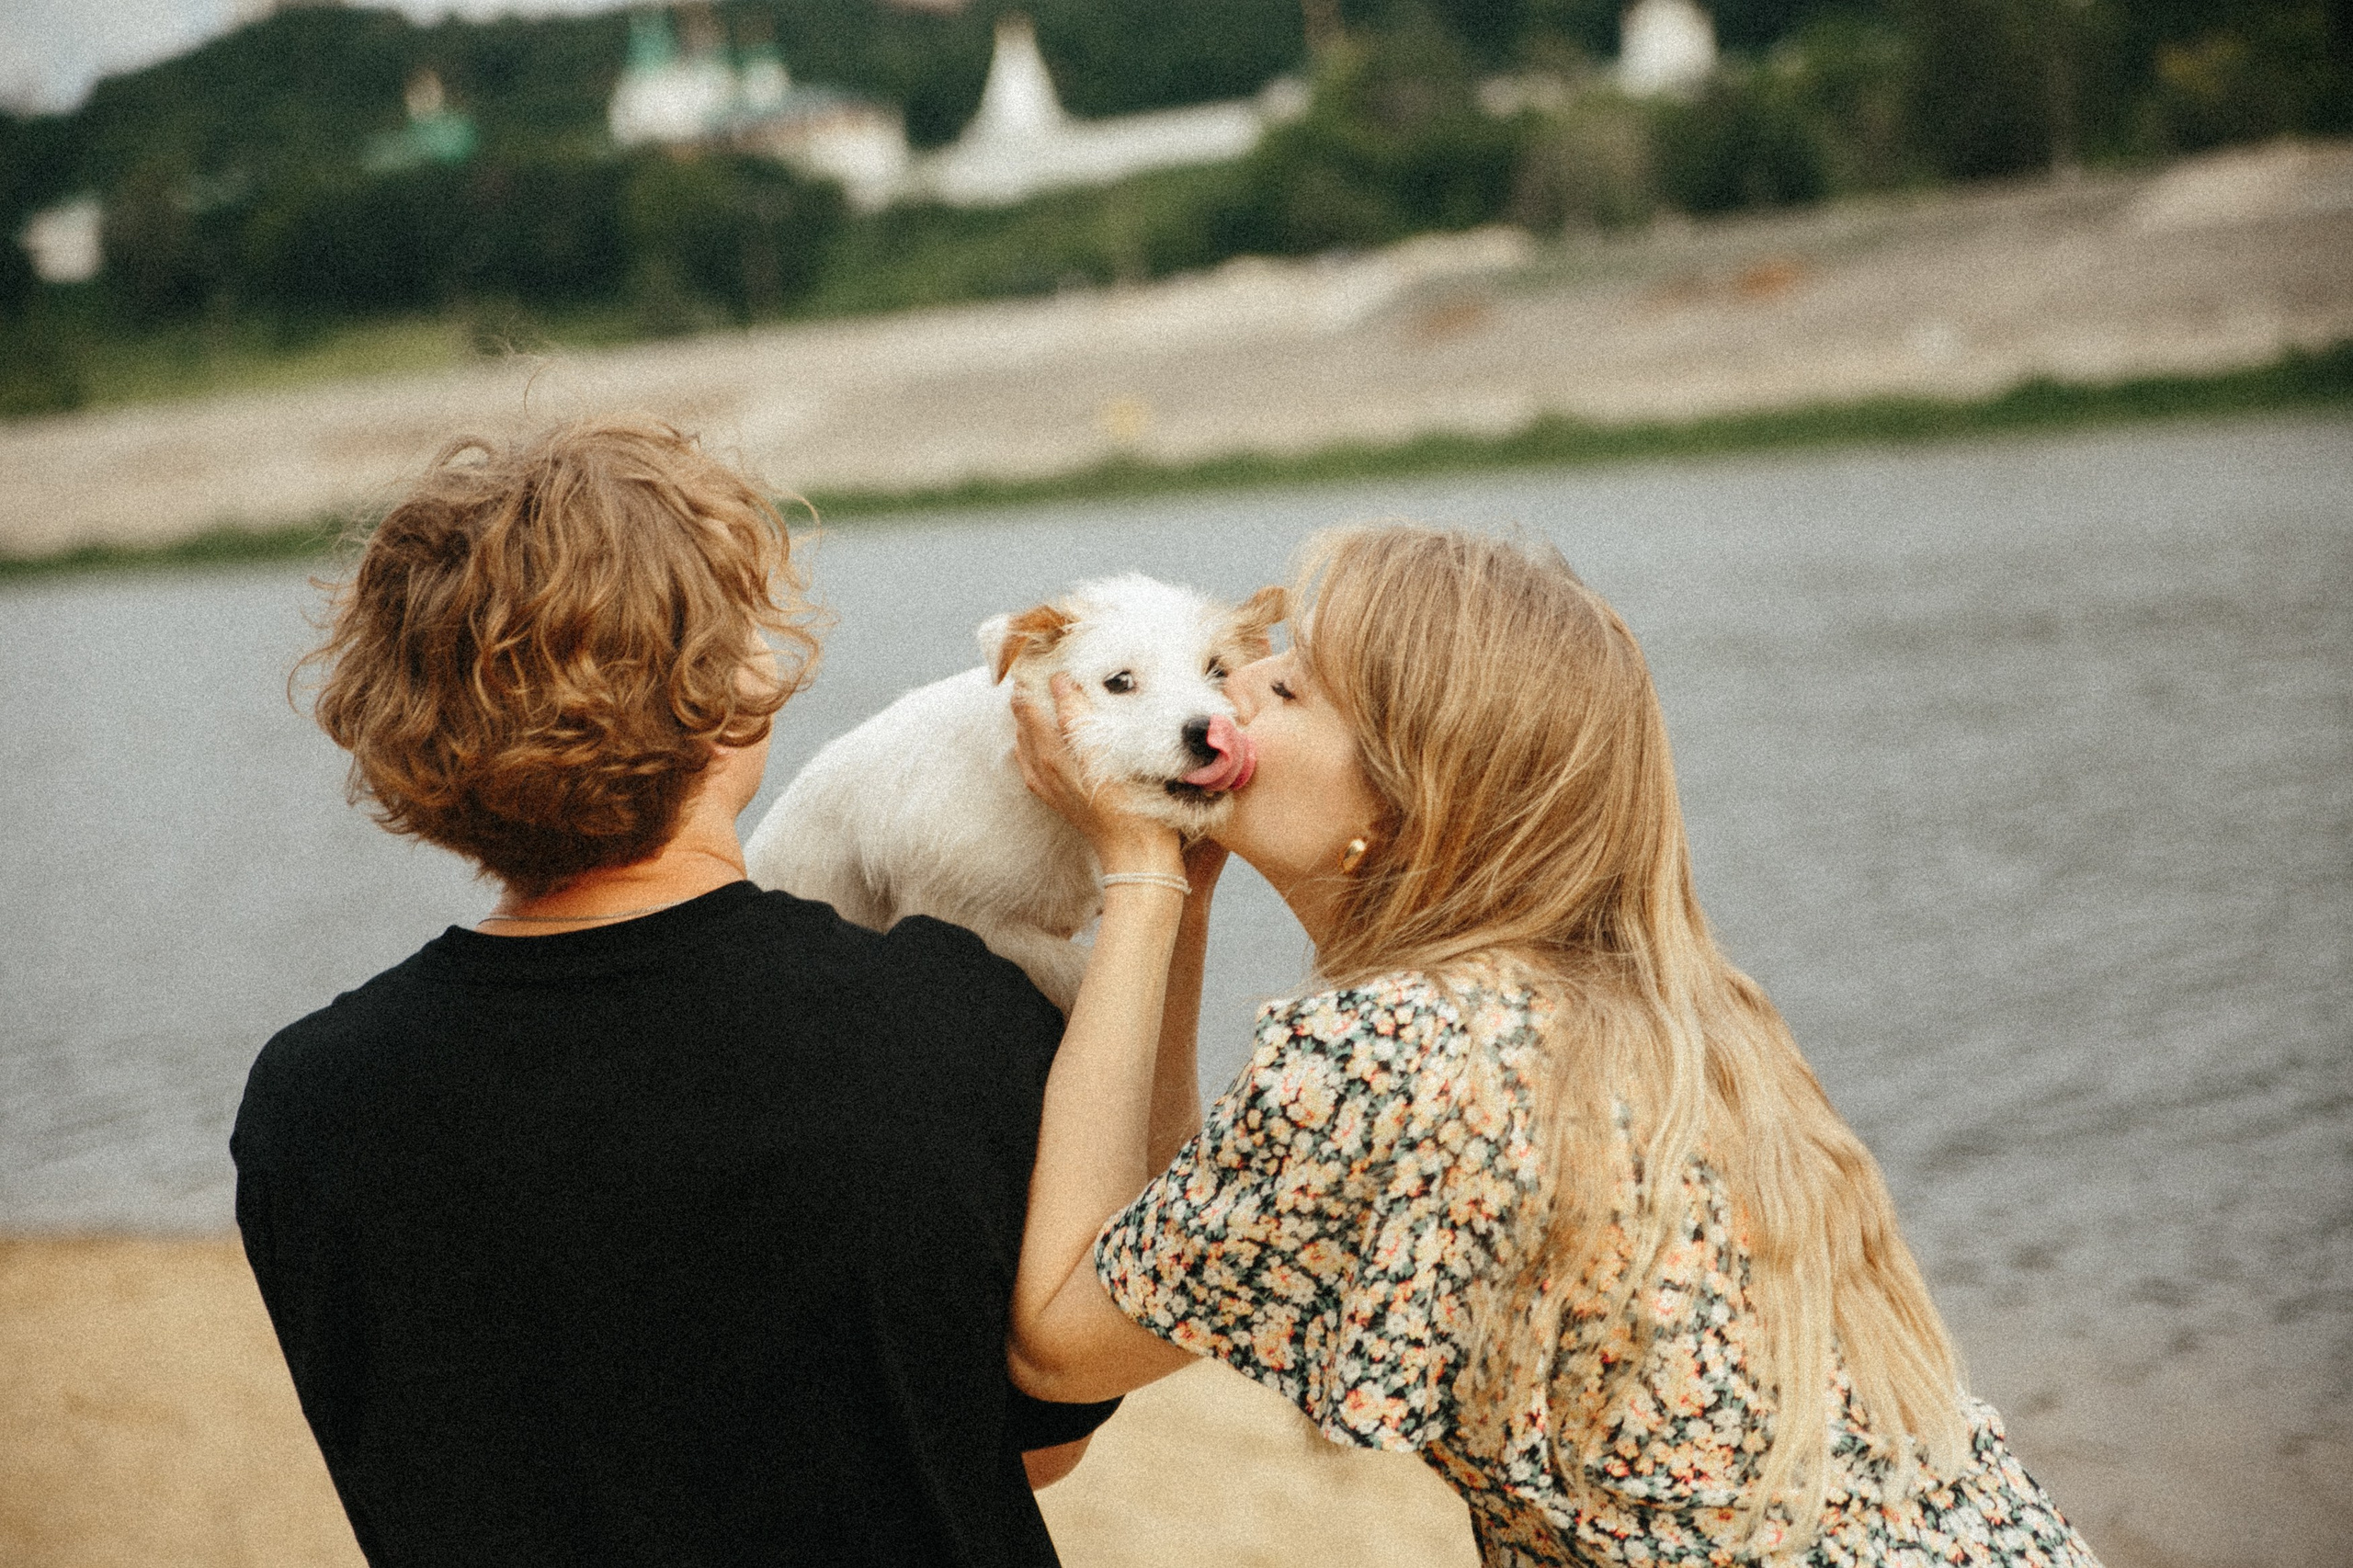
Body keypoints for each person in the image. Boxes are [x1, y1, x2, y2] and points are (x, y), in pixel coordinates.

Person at [1005, 525, 2104, 1566]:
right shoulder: (1653, 1005)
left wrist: (1139, 884)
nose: (1225, 686)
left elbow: (1062, 1338)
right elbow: (1160, 1256)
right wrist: (1174, 889)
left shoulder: (1394, 1052)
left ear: (1401, 798)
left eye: (1285, 687)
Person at [233, 418, 1117, 1568]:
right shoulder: (940, 1019)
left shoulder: (308, 1100)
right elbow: (1044, 1439)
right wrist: (1154, 884)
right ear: (737, 687)